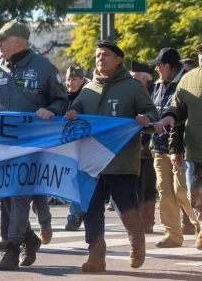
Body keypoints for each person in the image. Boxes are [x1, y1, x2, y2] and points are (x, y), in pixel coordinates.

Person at [0, 21, 68, 271]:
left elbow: (61, 100)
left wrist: (52, 109)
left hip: (30, 144)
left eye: (3, 39)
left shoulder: (44, 68)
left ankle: (13, 249)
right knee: (6, 194)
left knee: (19, 192)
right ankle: (30, 238)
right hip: (1, 144)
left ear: (20, 41)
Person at [65, 40, 159, 273]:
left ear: (118, 59)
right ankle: (96, 256)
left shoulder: (133, 86)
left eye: (106, 55)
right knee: (92, 210)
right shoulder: (87, 89)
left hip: (121, 160)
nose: (101, 58)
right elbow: (74, 113)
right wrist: (71, 114)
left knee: (127, 207)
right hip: (91, 162)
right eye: (98, 55)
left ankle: (137, 241)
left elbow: (151, 113)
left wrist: (145, 119)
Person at [147, 48, 201, 248]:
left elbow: (180, 121)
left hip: (180, 148)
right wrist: (153, 143)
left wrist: (175, 150)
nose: (156, 69)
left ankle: (199, 227)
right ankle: (173, 235)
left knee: (182, 192)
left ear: (167, 66)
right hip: (159, 147)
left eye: (158, 66)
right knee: (164, 191)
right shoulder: (158, 85)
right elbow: (161, 113)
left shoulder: (185, 82)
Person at [130, 61, 158, 234]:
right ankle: (139, 219)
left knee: (148, 187)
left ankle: (147, 221)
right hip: (134, 148)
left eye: (135, 78)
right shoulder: (133, 93)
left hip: (149, 148)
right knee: (136, 186)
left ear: (144, 79)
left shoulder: (153, 93)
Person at [65, 65, 88, 232]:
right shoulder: (62, 97)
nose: (70, 83)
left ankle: (74, 217)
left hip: (85, 145)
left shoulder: (88, 96)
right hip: (66, 146)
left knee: (79, 181)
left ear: (82, 80)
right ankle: (76, 214)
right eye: (68, 79)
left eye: (74, 79)